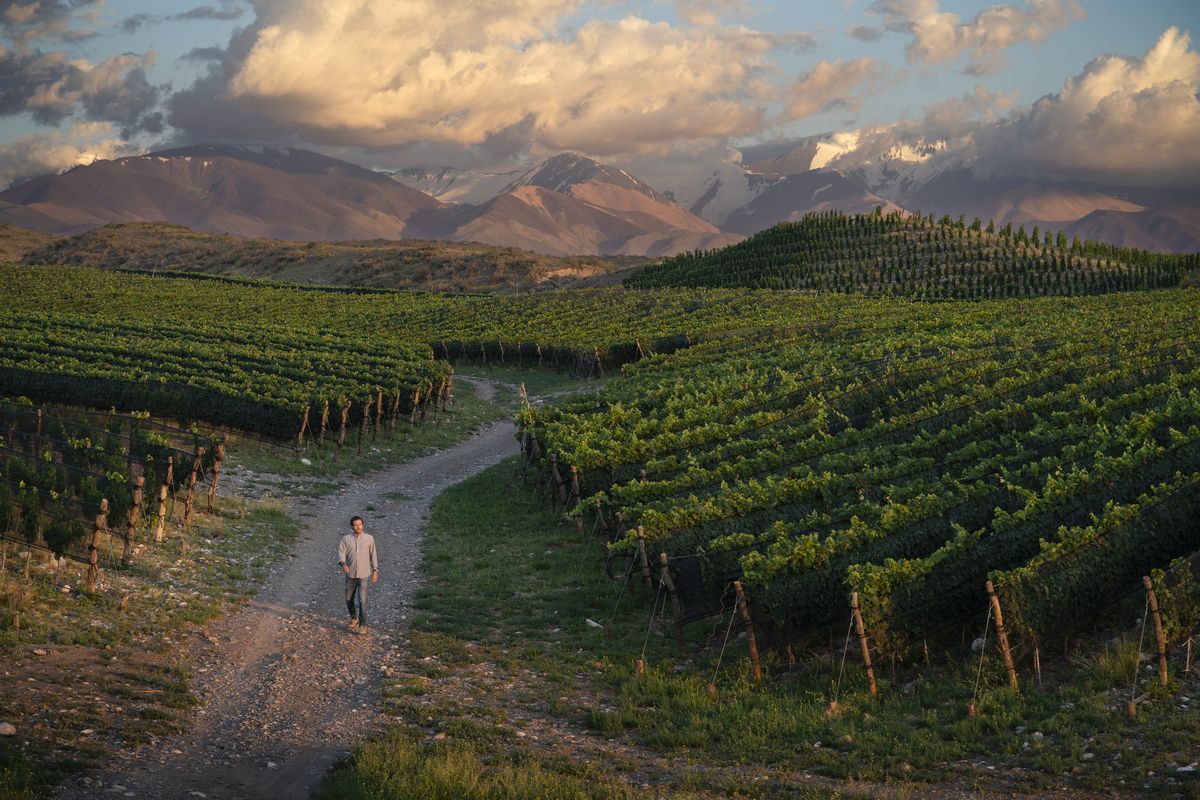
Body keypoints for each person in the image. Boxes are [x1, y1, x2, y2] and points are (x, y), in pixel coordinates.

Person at [337, 515, 378, 631]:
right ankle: (354, 618)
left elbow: (373, 555)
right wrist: (343, 564)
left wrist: (375, 570)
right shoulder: (346, 539)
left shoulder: (369, 538)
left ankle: (362, 626)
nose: (358, 527)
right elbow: (341, 553)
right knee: (348, 599)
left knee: (362, 601)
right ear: (352, 526)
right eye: (355, 525)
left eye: (360, 524)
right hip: (350, 574)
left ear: (363, 525)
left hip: (364, 575)